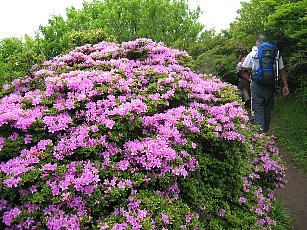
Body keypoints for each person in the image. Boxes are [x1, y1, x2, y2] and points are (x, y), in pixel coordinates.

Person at [242, 35, 289, 133]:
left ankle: (259, 135)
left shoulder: (254, 52)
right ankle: (265, 132)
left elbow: (245, 65)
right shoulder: (275, 52)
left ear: (257, 42)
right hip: (270, 84)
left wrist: (255, 68)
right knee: (267, 108)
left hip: (257, 84)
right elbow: (281, 70)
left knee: (258, 107)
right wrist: (285, 85)